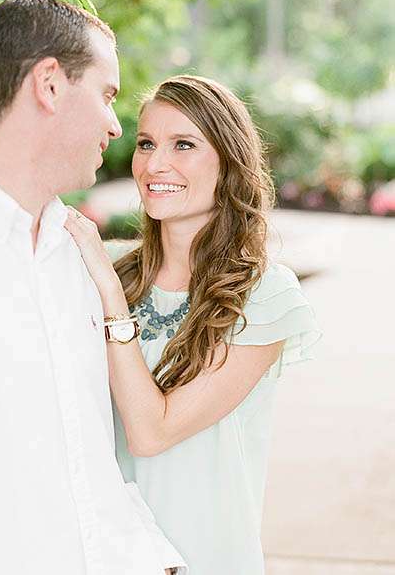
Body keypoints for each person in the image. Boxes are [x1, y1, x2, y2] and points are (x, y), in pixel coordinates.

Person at [0, 0, 185, 573]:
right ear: (49, 84)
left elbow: (83, 457)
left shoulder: (76, 256)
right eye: (107, 94)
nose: (117, 126)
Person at [63, 75, 320, 575]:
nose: (155, 164)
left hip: (203, 559)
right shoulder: (108, 266)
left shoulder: (264, 296)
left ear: (228, 163)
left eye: (184, 144)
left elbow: (151, 432)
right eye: (146, 144)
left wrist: (112, 299)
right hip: (105, 556)